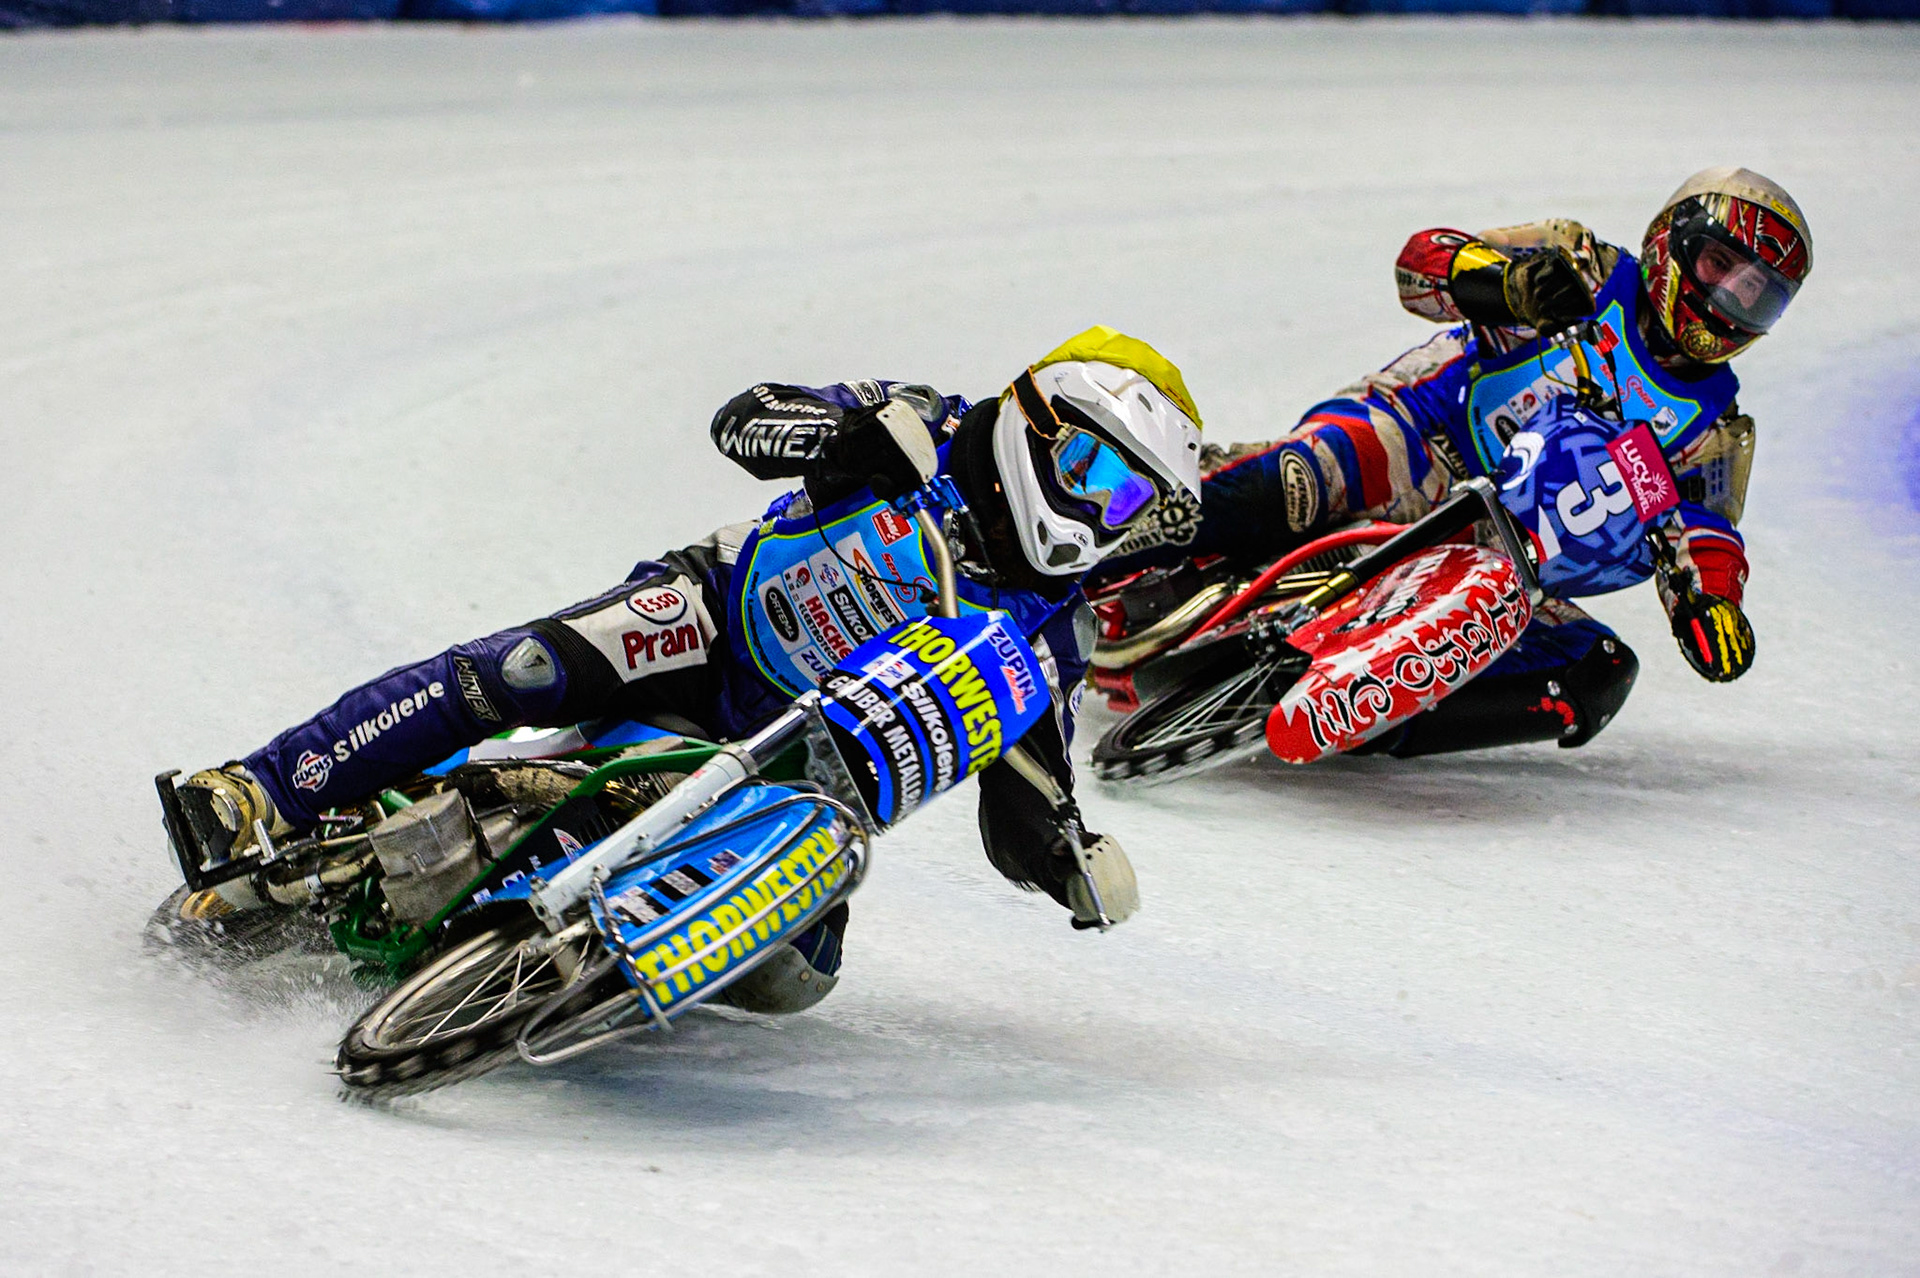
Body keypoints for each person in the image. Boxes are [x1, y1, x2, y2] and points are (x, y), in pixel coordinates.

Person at [166, 326, 1204, 1005]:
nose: (1094, 514)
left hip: (796, 771)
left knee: (801, 981)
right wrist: (840, 436)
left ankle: (560, 947)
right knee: (519, 670)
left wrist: (1065, 854)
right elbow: (747, 417)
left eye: (1126, 502)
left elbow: (1025, 787)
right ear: (1036, 421)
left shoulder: (1046, 633)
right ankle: (259, 790)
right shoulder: (922, 419)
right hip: (708, 618)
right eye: (1090, 471)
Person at [1101, 167, 1810, 756]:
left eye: (1755, 294)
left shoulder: (1716, 433)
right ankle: (1085, 545)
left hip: (1497, 562)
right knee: (1292, 485)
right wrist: (1507, 284)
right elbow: (1421, 262)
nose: (1726, 302)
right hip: (1415, 440)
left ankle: (1372, 717)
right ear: (1671, 243)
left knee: (1596, 672)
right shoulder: (1585, 266)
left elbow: (1705, 536)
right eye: (1720, 267)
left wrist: (1712, 607)